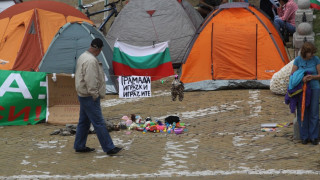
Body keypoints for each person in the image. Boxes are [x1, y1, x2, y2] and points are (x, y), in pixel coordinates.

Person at [74, 38, 123, 155]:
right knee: (99, 122)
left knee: (84, 122)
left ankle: (79, 145)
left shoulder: (83, 56)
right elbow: (90, 80)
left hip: (83, 94)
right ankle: (109, 148)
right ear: (99, 49)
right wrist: (95, 94)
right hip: (89, 96)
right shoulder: (91, 61)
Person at [290, 42, 320, 145]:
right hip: (302, 89)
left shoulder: (316, 60)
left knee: (314, 112)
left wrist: (313, 77)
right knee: (302, 111)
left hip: (314, 88)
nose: (312, 55)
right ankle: (304, 136)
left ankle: (314, 136)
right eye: (310, 53)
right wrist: (302, 78)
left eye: (312, 53)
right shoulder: (298, 60)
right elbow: (292, 75)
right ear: (305, 52)